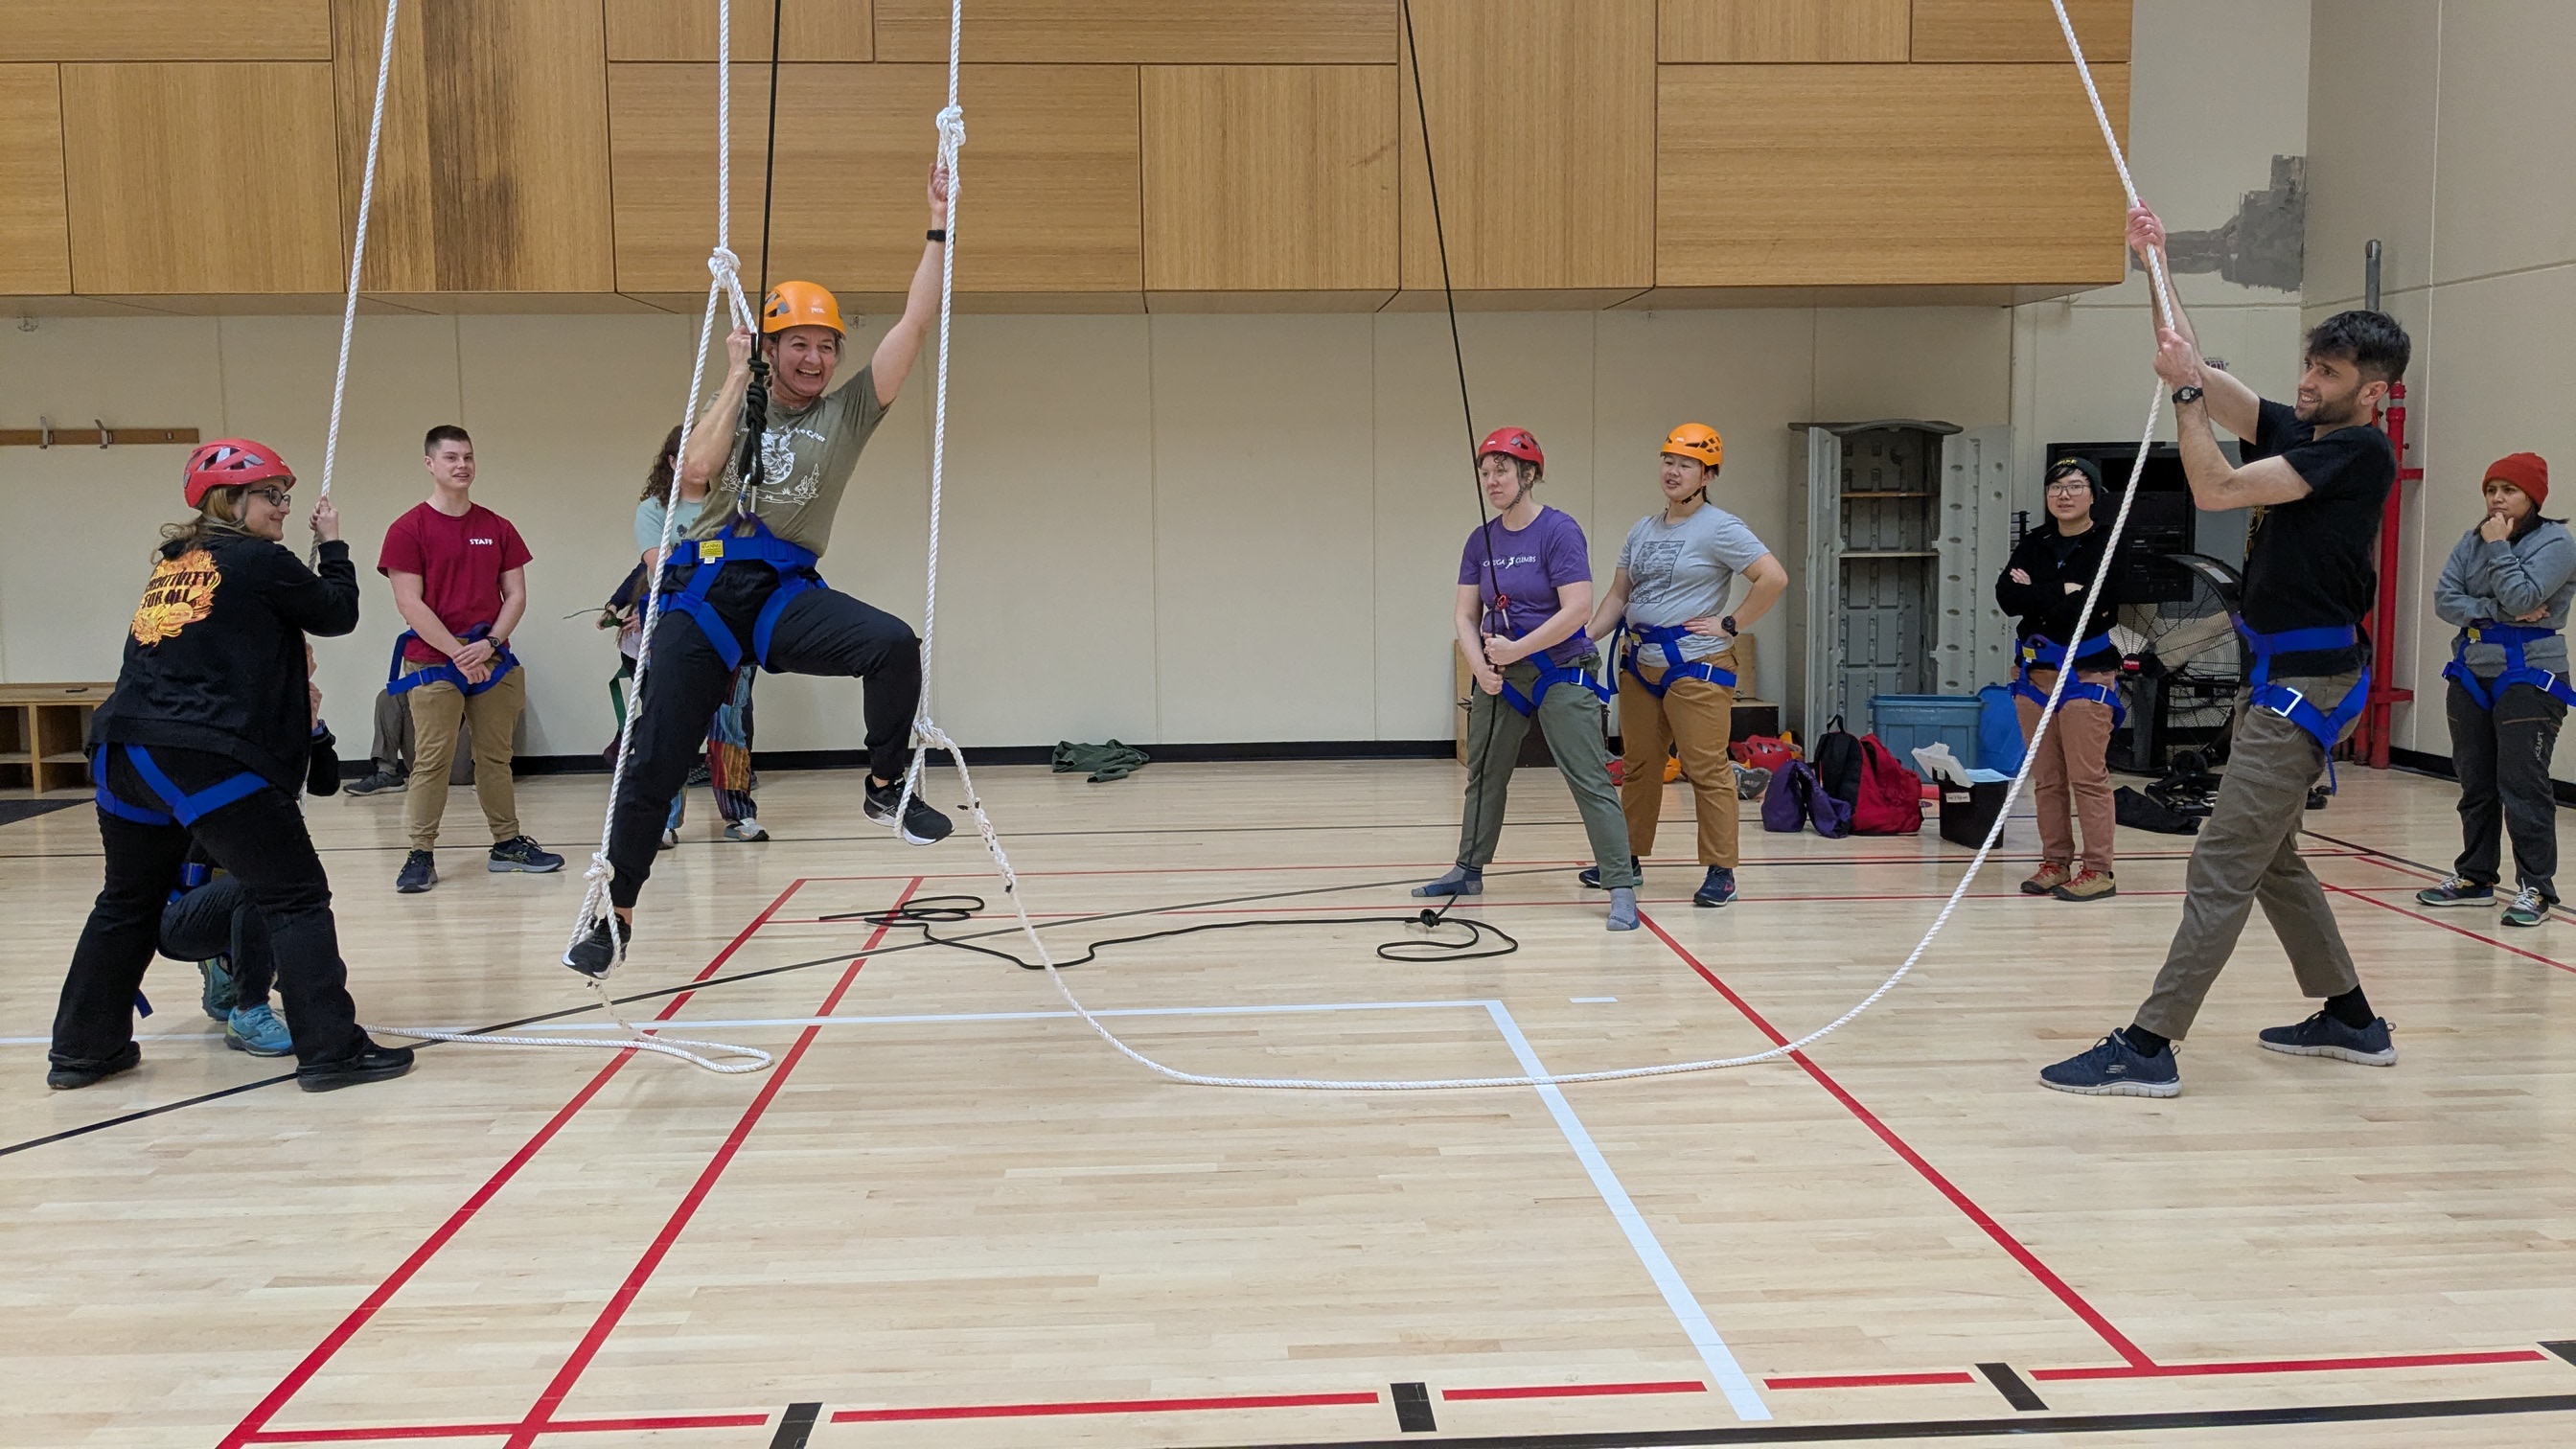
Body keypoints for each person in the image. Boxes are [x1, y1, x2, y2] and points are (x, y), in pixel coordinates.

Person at [2041, 206, 2408, 1098]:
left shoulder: (2357, 452)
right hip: (2281, 676)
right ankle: (2353, 1020)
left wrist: (2187, 399)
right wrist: (2154, 263)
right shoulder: (2305, 428)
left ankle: (2151, 1045)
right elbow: (2192, 365)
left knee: (2221, 861)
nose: (2309, 381)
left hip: (2309, 685)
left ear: (2375, 391)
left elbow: (2212, 481)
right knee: (2271, 856)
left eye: (2329, 372)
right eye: (2310, 366)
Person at [565, 164, 958, 977]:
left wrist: (936, 228)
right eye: (799, 346)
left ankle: (886, 783)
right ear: (773, 348)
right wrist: (736, 374)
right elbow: (696, 477)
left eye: (826, 347)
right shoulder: (740, 406)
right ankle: (616, 912)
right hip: (703, 594)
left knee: (892, 644)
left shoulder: (847, 415)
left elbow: (917, 324)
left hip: (781, 594)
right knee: (656, 754)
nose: (815, 360)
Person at [50, 438, 412, 1092]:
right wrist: (332, 544)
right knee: (295, 895)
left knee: (126, 901)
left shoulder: (171, 565)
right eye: (272, 495)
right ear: (232, 500)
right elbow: (338, 613)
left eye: (285, 496)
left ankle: (83, 1049)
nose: (284, 508)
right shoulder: (258, 560)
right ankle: (332, 1049)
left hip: (124, 749)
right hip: (202, 751)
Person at [1415, 426, 1642, 932]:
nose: (1491, 481)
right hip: (1500, 675)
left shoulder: (1559, 531)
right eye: (1485, 473)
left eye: (1501, 471)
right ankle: (1468, 869)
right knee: (1484, 775)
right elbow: (1464, 614)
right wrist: (1480, 667)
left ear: (1530, 474)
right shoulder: (1481, 540)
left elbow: (1578, 609)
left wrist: (1517, 649)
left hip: (1559, 669)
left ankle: (1621, 885)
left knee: (1587, 777)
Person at [1584, 424, 1787, 908]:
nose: (1673, 471)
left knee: (1706, 769)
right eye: (1668, 461)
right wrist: (1582, 639)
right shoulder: (1643, 529)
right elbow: (1619, 594)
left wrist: (1732, 623)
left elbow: (1772, 577)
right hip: (1640, 664)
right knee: (1639, 766)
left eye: (1687, 464)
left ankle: (1722, 870)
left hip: (1695, 666)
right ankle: (1625, 860)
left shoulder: (1721, 528)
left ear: (1707, 474)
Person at [379, 425, 563, 892]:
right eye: (451, 458)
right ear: (430, 464)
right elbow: (410, 603)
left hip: (492, 661)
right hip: (434, 663)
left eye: (468, 457)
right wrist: (460, 653)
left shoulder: (496, 527)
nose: (462, 465)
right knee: (431, 761)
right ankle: (419, 853)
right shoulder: (407, 529)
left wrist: (492, 645)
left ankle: (507, 844)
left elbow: (515, 595)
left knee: (495, 759)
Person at [2418, 452, 2571, 927]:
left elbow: (2526, 597)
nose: (2498, 499)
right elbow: (2446, 599)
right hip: (2470, 672)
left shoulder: (2558, 542)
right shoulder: (2472, 540)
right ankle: (2476, 877)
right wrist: (2498, 609)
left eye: (2509, 490)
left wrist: (2502, 551)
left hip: (2529, 674)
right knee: (2475, 782)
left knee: (2523, 784)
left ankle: (2535, 889)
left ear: (2532, 498)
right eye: (2491, 490)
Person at [625, 425, 766, 846]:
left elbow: (748, 565)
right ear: (672, 463)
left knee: (731, 726)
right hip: (678, 628)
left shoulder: (733, 507)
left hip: (731, 629)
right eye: (692, 455)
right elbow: (661, 565)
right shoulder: (654, 510)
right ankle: (664, 820)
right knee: (670, 725)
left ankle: (739, 814)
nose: (704, 463)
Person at [1996, 455, 2125, 902]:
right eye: (2056, 488)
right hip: (2034, 675)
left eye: (2074, 486)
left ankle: (2099, 870)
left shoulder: (2108, 544)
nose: (2064, 495)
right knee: (2047, 777)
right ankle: (2055, 860)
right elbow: (2007, 597)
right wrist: (2058, 590)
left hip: (2086, 675)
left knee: (2087, 776)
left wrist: (2039, 592)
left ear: (2093, 494)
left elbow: (2089, 603)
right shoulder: (2036, 542)